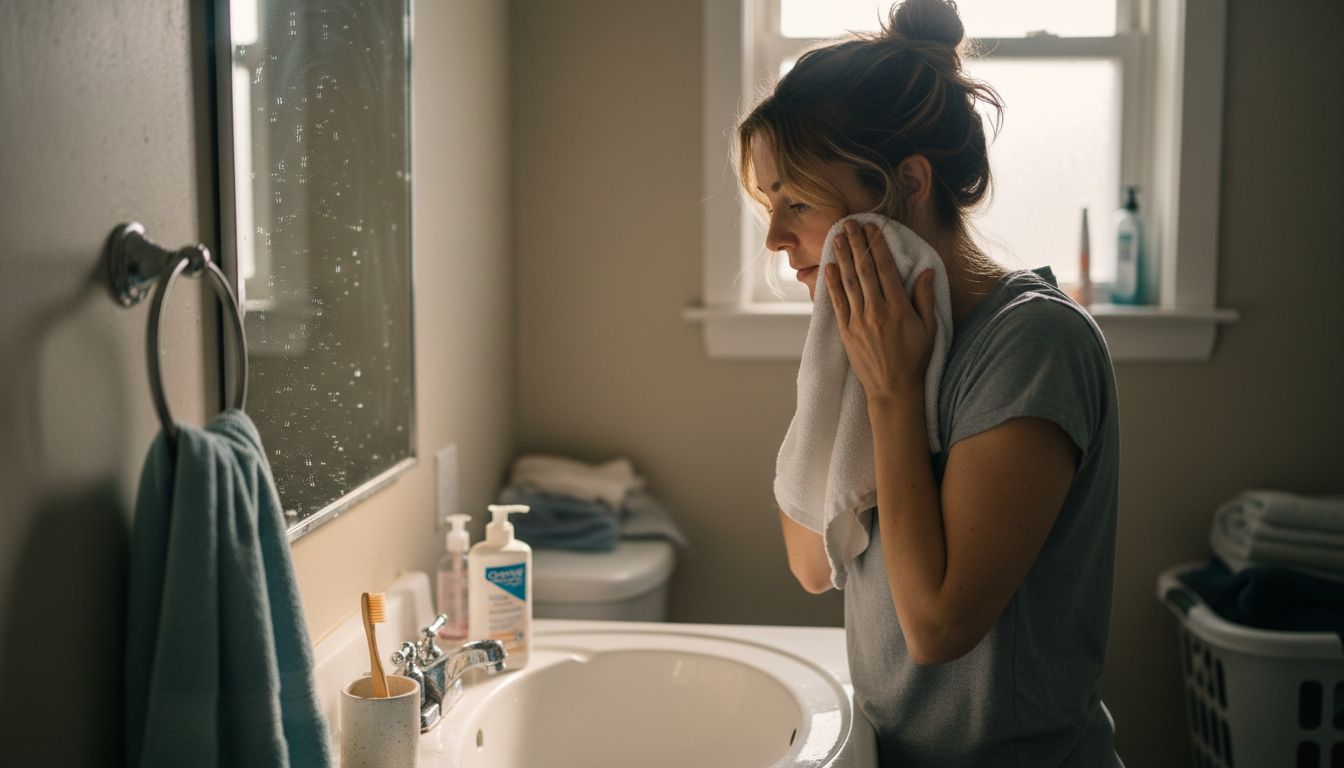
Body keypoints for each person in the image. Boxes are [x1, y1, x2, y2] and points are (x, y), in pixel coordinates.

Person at [736, 1, 1121, 766]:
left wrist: (891, 392)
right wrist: (842, 366)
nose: (776, 238)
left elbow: (938, 627)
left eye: (799, 203)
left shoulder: (1033, 344)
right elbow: (812, 563)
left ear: (907, 183)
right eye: (770, 207)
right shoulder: (868, 347)